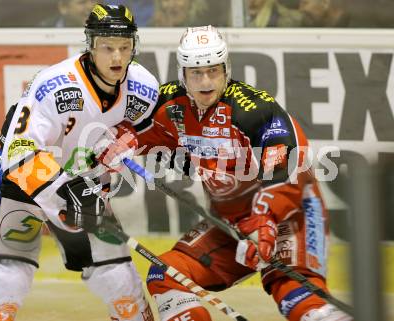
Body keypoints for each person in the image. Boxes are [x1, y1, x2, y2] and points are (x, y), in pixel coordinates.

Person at [133, 26, 353, 321]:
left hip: (290, 214)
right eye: (195, 73)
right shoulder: (169, 105)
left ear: (227, 68)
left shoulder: (254, 108)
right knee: (167, 275)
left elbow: (290, 165)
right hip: (232, 222)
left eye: (213, 70)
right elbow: (132, 138)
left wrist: (263, 220)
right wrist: (102, 161)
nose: (206, 81)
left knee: (297, 297)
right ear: (182, 72)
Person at [0, 4, 159, 321]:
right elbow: (18, 152)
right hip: (19, 184)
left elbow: (139, 133)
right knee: (6, 284)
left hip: (85, 187)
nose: (117, 57)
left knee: (121, 283)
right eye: (107, 47)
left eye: (124, 47)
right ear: (90, 45)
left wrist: (120, 147)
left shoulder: (144, 88)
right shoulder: (55, 84)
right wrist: (61, 192)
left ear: (134, 47)